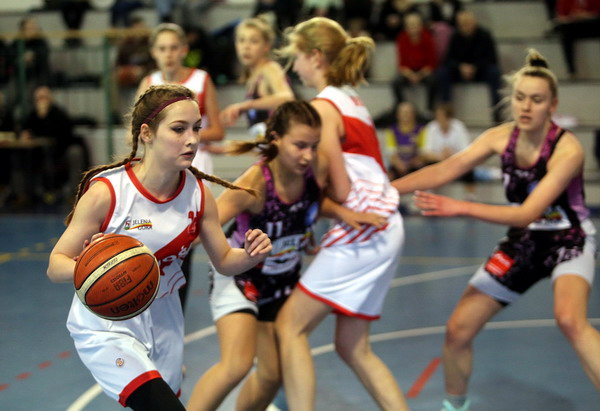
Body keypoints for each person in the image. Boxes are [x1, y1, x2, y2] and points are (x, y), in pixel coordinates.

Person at [392, 49, 600, 411]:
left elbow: (528, 213)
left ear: (552, 105)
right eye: (520, 97)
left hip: (569, 239)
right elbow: (446, 169)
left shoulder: (567, 149)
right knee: (458, 330)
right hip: (524, 243)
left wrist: (460, 206)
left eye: (536, 100)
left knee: (569, 319)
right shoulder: (500, 137)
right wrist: (386, 190)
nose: (526, 106)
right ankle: (454, 407)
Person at [46, 84, 272, 411]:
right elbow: (56, 265)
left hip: (165, 320)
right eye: (179, 129)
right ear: (147, 133)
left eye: (197, 128)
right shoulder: (108, 193)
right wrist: (93, 267)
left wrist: (250, 256)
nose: (192, 139)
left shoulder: (198, 194)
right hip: (108, 324)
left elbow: (224, 260)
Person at [188, 100, 386, 410]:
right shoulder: (254, 184)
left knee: (270, 376)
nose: (308, 155)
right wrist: (159, 250)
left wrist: (342, 214)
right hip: (242, 277)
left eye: (314, 146)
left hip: (282, 281)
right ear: (276, 138)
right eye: (300, 145)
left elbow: (313, 202)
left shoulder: (316, 167)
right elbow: (204, 227)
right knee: (236, 365)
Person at [274, 17, 409, 410]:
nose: (295, 66)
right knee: (353, 347)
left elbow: (342, 189)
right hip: (386, 224)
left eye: (297, 56)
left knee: (289, 326)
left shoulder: (322, 107)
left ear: (315, 57)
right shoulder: (352, 100)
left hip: (364, 226)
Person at [137, 22, 225, 311]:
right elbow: (136, 130)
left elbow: (218, 130)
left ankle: (174, 313)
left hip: (194, 165)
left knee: (183, 244)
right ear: (154, 52)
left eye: (174, 48)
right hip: (159, 170)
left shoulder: (201, 80)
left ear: (184, 50)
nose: (168, 54)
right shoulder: (149, 82)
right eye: (162, 48)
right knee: (152, 238)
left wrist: (183, 133)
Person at [219, 16, 295, 140]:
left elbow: (287, 97)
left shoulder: (270, 68)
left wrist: (245, 105)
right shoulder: (252, 78)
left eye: (254, 41)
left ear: (266, 46)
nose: (246, 47)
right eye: (241, 40)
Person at [16, 85, 89, 203]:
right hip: (39, 154)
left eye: (44, 97)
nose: (41, 101)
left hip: (60, 151)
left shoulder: (59, 114)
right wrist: (25, 134)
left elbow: (66, 135)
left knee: (75, 152)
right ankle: (25, 194)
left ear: (50, 99)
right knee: (19, 156)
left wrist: (44, 119)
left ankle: (75, 193)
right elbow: (25, 130)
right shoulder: (32, 115)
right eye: (39, 98)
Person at [436, 10, 502, 124]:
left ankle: (496, 112)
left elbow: (492, 59)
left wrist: (475, 67)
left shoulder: (484, 35)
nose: (465, 27)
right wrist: (461, 67)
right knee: (443, 73)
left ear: (474, 22)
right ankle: (446, 111)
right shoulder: (455, 36)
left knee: (494, 72)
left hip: (480, 71)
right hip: (460, 72)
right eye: (462, 24)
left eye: (467, 23)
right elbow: (448, 60)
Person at [420, 102, 475, 199]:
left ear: (449, 117)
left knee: (469, 165)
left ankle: (470, 196)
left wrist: (452, 155)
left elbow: (467, 150)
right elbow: (426, 152)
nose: (439, 119)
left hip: (456, 161)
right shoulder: (431, 127)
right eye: (437, 116)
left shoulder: (459, 127)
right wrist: (440, 156)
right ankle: (427, 194)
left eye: (441, 116)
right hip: (437, 161)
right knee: (425, 165)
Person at [392, 12, 437, 115]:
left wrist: (419, 75)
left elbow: (431, 63)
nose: (413, 29)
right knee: (396, 82)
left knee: (433, 81)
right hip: (408, 71)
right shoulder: (402, 38)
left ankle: (429, 109)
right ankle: (402, 107)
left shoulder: (427, 37)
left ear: (420, 26)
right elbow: (401, 64)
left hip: (424, 71)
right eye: (410, 26)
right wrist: (411, 75)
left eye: (415, 25)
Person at [553, 0, 600, 77]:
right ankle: (571, 70)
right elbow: (561, 17)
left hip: (592, 26)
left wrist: (584, 15)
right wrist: (574, 17)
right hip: (574, 27)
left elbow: (597, 13)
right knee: (565, 34)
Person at [385, 101, 425, 180]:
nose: (405, 115)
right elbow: (391, 153)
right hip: (398, 165)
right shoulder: (392, 131)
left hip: (415, 165)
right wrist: (399, 164)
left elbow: (424, 152)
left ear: (414, 114)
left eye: (408, 112)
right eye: (403, 112)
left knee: (423, 171)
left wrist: (412, 162)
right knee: (389, 175)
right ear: (398, 115)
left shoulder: (421, 130)